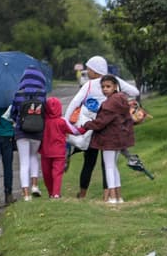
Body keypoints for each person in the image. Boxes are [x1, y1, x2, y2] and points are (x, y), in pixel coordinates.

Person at [65, 56, 139, 199]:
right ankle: (107, 196)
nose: (88, 72)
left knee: (89, 162)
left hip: (93, 129)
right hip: (112, 129)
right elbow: (135, 92)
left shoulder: (89, 84)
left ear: (95, 70)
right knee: (108, 164)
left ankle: (82, 194)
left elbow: (75, 103)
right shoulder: (114, 82)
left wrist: (66, 123)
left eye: (89, 69)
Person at [77, 75, 136, 204]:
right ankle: (119, 197)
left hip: (109, 139)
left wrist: (86, 125)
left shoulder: (110, 103)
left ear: (115, 86)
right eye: (103, 87)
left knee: (109, 167)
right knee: (113, 166)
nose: (105, 89)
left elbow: (100, 123)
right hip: (120, 138)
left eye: (108, 86)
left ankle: (113, 198)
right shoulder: (122, 99)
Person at [9, 65, 49, 201]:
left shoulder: (19, 93)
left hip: (21, 131)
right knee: (33, 157)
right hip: (37, 130)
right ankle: (35, 186)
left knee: (24, 161)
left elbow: (13, 112)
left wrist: (17, 120)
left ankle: (26, 194)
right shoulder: (42, 93)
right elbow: (45, 111)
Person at [40, 96, 78, 199]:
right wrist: (85, 128)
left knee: (46, 173)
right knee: (57, 173)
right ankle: (56, 193)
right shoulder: (61, 122)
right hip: (59, 152)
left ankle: (50, 192)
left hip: (45, 151)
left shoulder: (43, 121)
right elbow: (74, 131)